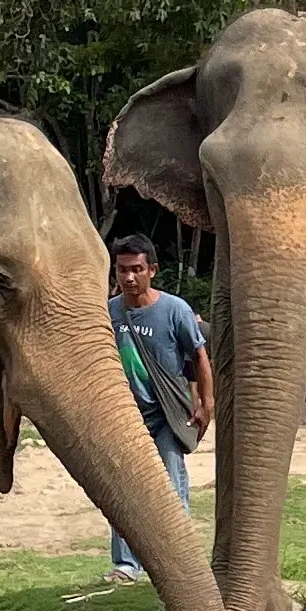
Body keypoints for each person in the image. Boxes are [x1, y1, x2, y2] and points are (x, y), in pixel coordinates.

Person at [104, 233, 214, 583]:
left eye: (137, 269)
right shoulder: (109, 312)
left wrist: (206, 403)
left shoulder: (174, 310)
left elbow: (198, 356)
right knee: (123, 488)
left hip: (168, 413)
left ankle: (176, 561)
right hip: (124, 415)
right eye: (123, 270)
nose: (129, 277)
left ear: (152, 270)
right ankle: (126, 565)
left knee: (169, 483)